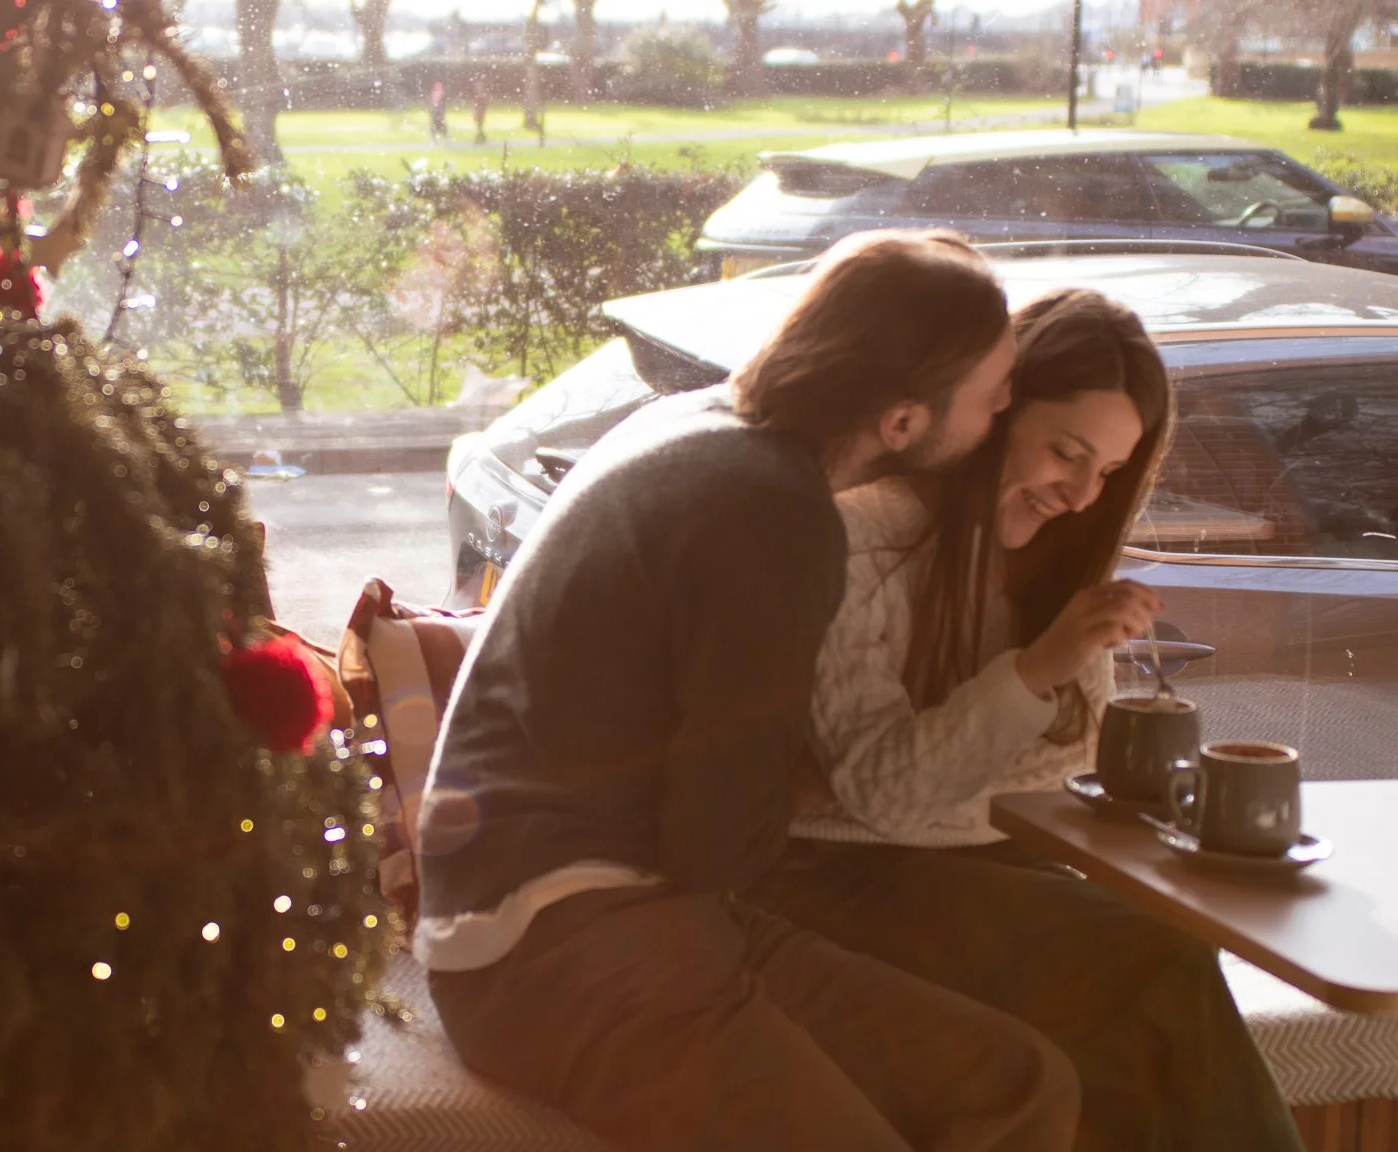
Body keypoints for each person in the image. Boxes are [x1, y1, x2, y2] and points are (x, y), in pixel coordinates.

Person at [414, 230, 1079, 1151]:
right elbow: (717, 838)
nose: (1008, 405)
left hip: (631, 910)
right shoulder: (774, 511)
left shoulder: (694, 423)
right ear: (900, 422)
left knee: (1016, 1083)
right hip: (554, 946)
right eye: (991, 391)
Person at [751, 289, 1306, 1151]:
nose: (1082, 495)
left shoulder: (1054, 567)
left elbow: (1065, 765)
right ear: (994, 415)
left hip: (983, 866)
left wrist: (1012, 726)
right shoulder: (860, 543)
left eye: (1109, 474)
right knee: (1161, 971)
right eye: (1067, 452)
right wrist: (1037, 670)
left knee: (1149, 990)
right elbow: (885, 799)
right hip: (839, 875)